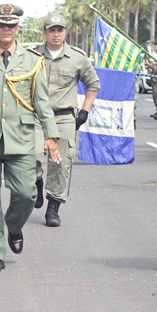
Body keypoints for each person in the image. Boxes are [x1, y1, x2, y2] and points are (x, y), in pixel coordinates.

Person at [0, 4, 60, 273]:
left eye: (11, 26)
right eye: (1, 25)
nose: (6, 30)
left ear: (18, 29)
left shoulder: (32, 60)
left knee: (26, 194)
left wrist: (51, 135)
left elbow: (41, 101)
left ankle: (14, 226)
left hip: (21, 138)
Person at [34, 12, 100, 227]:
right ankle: (36, 181)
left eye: (59, 30)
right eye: (51, 30)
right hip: (35, 117)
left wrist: (84, 112)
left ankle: (53, 207)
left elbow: (93, 84)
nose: (55, 34)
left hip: (63, 118)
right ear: (45, 32)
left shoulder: (77, 57)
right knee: (30, 155)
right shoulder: (32, 55)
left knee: (60, 164)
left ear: (65, 32)